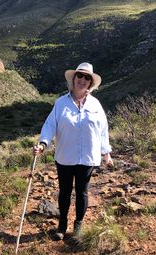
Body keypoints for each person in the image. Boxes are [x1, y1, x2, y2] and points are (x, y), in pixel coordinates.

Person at [33, 62, 113, 240]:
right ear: (74, 78)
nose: (83, 80)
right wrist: (43, 144)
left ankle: (78, 225)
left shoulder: (95, 105)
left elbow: (103, 130)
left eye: (87, 78)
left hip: (88, 157)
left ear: (90, 83)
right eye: (80, 76)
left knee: (82, 192)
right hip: (65, 156)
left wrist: (106, 153)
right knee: (65, 191)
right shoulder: (61, 103)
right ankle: (62, 225)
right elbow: (50, 125)